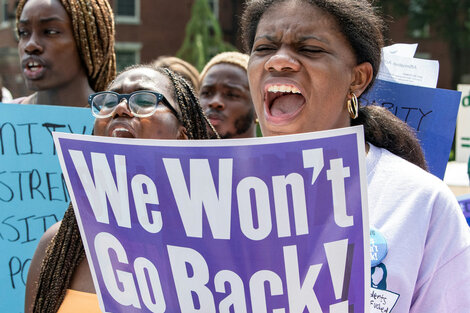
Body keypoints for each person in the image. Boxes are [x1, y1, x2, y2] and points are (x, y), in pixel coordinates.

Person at [241, 0, 470, 312]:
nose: (279, 61)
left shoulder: (420, 204)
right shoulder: (203, 195)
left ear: (357, 79)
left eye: (309, 49)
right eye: (264, 48)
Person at [24, 65, 216, 313]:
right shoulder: (58, 243)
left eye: (145, 99)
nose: (120, 108)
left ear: (183, 135)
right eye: (109, 101)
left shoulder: (218, 247)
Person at [14, 0, 115, 106]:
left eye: (50, 32)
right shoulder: (5, 116)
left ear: (90, 42)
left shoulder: (118, 119)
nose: (30, 46)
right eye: (23, 32)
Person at [199, 51, 257, 139]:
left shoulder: (280, 152)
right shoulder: (178, 152)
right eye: (206, 93)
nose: (215, 102)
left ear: (258, 107)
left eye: (232, 95)